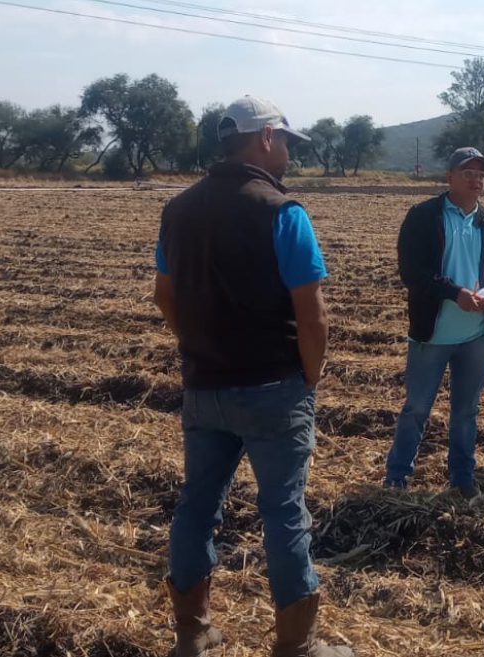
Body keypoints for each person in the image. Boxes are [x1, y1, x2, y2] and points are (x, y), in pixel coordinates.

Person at [153, 96, 352, 656]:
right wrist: (310, 376)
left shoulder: (179, 209)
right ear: (265, 138)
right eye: (286, 141)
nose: (288, 152)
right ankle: (297, 645)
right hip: (273, 389)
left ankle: (192, 634)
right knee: (284, 512)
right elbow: (312, 314)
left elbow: (163, 296)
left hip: (203, 386)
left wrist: (197, 346)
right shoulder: (281, 211)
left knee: (197, 506)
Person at [385, 147, 484, 499]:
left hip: (476, 338)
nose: (476, 180)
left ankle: (462, 477)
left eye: (481, 174)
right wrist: (453, 293)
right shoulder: (424, 216)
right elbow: (411, 271)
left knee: (466, 413)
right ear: (450, 177)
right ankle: (396, 476)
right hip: (433, 335)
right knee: (416, 409)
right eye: (468, 173)